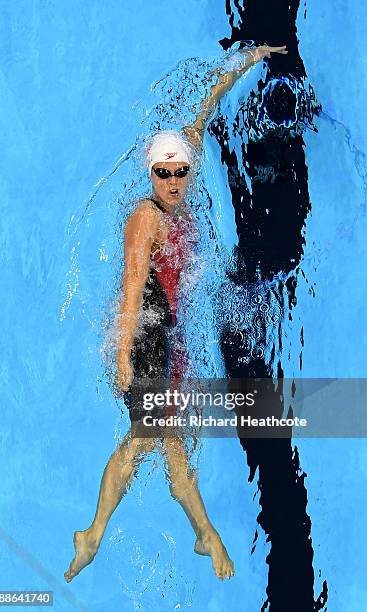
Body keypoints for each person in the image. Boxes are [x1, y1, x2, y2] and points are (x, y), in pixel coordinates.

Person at [64, 44, 288, 584]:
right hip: (147, 344)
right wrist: (122, 357)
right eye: (163, 172)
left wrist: (244, 61)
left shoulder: (182, 178)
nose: (172, 180)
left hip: (170, 338)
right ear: (152, 174)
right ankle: (101, 533)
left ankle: (198, 534)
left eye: (180, 172)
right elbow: (129, 291)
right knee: (150, 440)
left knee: (171, 441)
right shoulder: (145, 221)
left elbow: (202, 112)